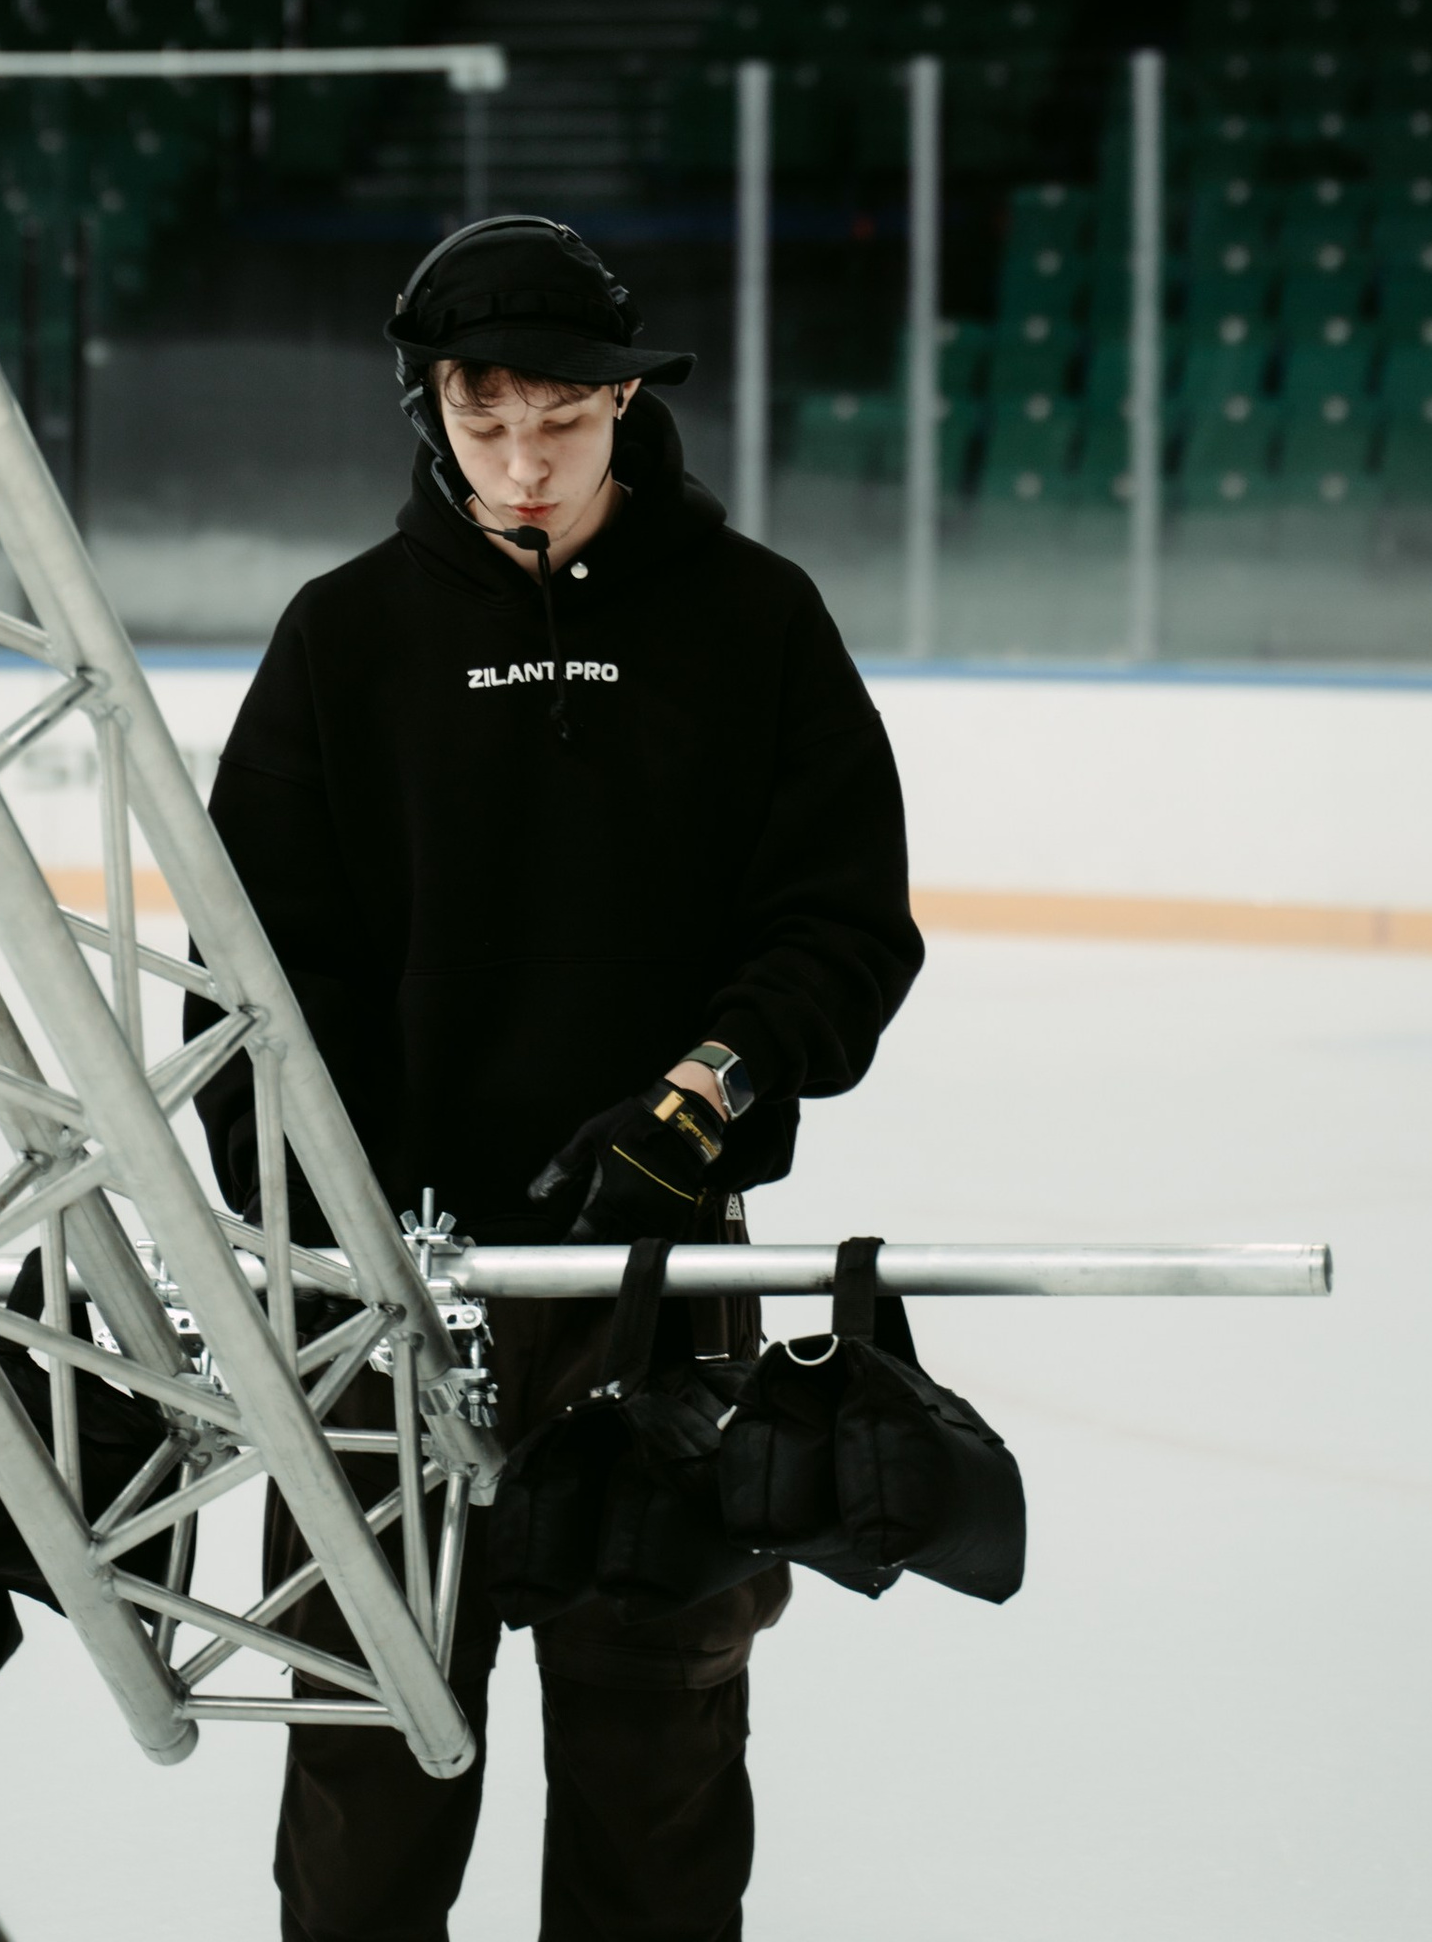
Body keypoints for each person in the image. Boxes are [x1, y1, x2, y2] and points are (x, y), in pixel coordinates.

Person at [198, 211, 923, 1942]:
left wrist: (703, 1100)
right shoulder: (343, 637)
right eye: (486, 420)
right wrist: (325, 1205)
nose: (524, 464)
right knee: (368, 1781)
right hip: (386, 1304)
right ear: (431, 410)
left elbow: (839, 928)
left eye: (562, 420)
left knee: (655, 1773)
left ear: (625, 403)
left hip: (660, 1295)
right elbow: (254, 974)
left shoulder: (754, 621)